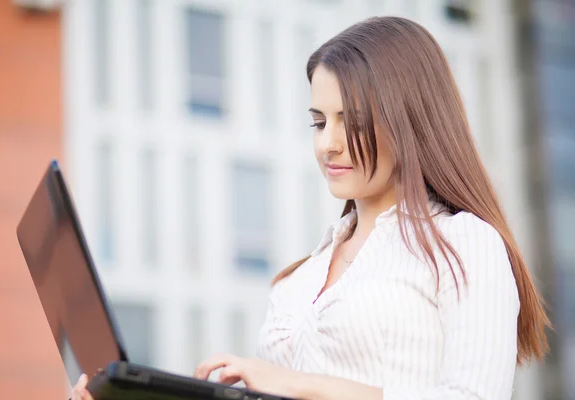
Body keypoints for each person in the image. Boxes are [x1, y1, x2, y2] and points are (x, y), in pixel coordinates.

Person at [72, 16, 550, 400]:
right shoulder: (297, 282)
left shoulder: (463, 244)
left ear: (411, 120)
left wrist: (299, 384)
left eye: (351, 121)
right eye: (319, 122)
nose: (328, 145)